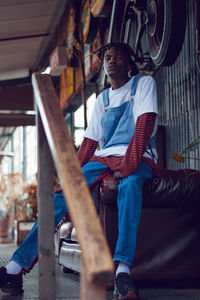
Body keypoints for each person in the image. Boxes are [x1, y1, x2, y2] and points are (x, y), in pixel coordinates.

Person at [0, 42, 158, 300]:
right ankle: (14, 269)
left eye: (118, 57)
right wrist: (70, 175)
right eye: (107, 57)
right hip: (104, 158)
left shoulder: (144, 85)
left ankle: (123, 271)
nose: (111, 60)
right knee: (61, 196)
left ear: (130, 63)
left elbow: (144, 124)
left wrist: (128, 166)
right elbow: (89, 144)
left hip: (137, 157)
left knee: (130, 186)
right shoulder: (103, 99)